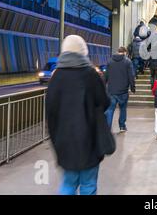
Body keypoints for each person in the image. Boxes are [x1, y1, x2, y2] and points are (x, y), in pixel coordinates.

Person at [46, 35, 111, 195]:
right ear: (83, 51)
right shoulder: (91, 75)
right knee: (88, 184)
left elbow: (50, 111)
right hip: (90, 139)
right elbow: (105, 102)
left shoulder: (56, 77)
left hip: (64, 140)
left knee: (68, 184)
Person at [104, 47, 136, 132]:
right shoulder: (128, 62)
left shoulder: (110, 61)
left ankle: (107, 128)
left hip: (111, 91)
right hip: (123, 91)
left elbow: (105, 75)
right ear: (125, 52)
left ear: (117, 52)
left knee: (110, 110)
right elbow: (131, 76)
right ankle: (122, 126)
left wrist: (103, 86)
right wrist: (132, 88)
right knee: (123, 108)